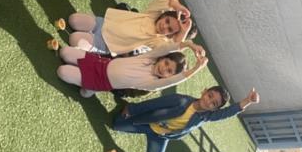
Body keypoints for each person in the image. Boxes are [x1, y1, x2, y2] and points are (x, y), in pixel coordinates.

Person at [114, 87, 260, 152]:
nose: (209, 101)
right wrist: (131, 110)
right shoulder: (180, 100)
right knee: (116, 125)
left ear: (214, 110)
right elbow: (153, 104)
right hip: (147, 123)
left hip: (162, 136)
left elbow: (226, 113)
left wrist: (247, 101)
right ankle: (130, 109)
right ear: (204, 91)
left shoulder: (205, 116)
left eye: (214, 103)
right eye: (210, 96)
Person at [57, 41, 207, 98]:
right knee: (64, 52)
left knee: (62, 72)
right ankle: (87, 86)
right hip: (100, 63)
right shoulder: (149, 58)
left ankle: (90, 89)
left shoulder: (151, 83)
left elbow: (173, 81)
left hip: (100, 82)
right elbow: (167, 48)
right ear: (162, 58)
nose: (164, 69)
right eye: (167, 63)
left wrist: (196, 68)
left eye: (169, 71)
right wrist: (189, 44)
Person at [66, 0, 198, 56]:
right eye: (167, 21)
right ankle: (88, 38)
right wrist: (177, 6)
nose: (164, 26)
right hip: (103, 24)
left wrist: (183, 33)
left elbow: (170, 48)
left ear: (170, 35)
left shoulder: (157, 41)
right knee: (73, 20)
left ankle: (92, 50)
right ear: (164, 15)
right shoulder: (151, 15)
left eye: (169, 29)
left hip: (105, 44)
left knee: (74, 39)